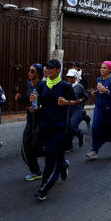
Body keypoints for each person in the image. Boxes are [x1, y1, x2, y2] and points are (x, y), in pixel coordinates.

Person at [32, 59, 76, 201]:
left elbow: (77, 100)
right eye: (46, 68)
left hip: (59, 127)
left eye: (51, 68)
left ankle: (44, 188)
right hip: (44, 126)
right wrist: (34, 102)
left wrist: (66, 102)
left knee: (51, 157)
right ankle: (63, 163)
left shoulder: (65, 86)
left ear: (58, 70)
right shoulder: (42, 86)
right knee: (36, 149)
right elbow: (36, 106)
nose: (47, 70)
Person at [86, 61, 111, 160]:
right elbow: (100, 90)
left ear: (110, 70)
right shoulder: (99, 79)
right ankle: (95, 150)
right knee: (95, 128)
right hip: (99, 107)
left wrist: (106, 91)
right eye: (101, 67)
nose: (101, 69)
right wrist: (96, 92)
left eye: (104, 68)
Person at [15, 63, 45, 181]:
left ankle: (58, 159)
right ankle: (36, 171)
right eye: (29, 70)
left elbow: (46, 103)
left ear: (38, 73)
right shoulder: (29, 84)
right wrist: (20, 99)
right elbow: (29, 101)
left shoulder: (43, 85)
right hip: (30, 120)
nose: (29, 73)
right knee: (25, 148)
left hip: (40, 122)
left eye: (32, 71)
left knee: (36, 148)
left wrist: (38, 108)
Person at [65, 69, 88, 151]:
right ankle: (69, 146)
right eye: (68, 77)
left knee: (73, 126)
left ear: (75, 77)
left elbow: (86, 97)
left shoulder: (79, 86)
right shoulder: (66, 85)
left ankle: (80, 134)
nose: (69, 79)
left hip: (77, 109)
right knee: (67, 127)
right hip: (68, 108)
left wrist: (80, 100)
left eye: (71, 77)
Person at [71, 61, 91, 126]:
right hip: (73, 96)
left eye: (74, 66)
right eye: (72, 66)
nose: (73, 67)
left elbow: (85, 86)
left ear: (78, 67)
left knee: (78, 112)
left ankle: (76, 127)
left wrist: (79, 83)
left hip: (80, 97)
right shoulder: (71, 74)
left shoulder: (81, 76)